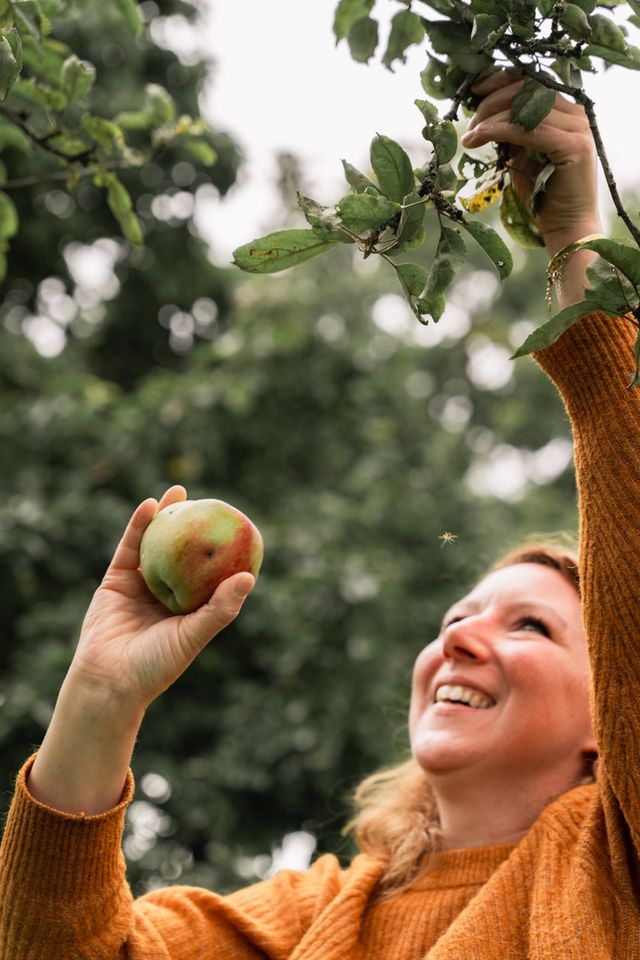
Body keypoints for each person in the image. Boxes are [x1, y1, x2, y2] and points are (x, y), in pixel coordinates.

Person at [1, 69, 638, 958]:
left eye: (530, 625)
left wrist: (573, 236)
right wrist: (101, 697)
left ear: (606, 716)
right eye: (455, 619)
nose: (456, 641)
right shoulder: (316, 916)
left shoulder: (611, 869)